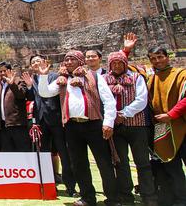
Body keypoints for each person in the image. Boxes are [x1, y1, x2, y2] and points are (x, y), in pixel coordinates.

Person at [38, 50, 119, 206]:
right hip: (72, 126)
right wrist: (43, 75)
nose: (68, 62)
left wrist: (108, 122)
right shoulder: (63, 80)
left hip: (94, 124)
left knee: (104, 163)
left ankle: (113, 199)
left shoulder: (94, 77)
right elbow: (45, 93)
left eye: (72, 59)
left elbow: (109, 101)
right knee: (79, 164)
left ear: (80, 61)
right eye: (66, 60)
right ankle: (88, 197)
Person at [104, 51, 156, 205]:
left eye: (120, 63)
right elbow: (104, 99)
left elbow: (141, 99)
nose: (117, 65)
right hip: (116, 127)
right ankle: (125, 196)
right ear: (110, 65)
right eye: (114, 63)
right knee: (120, 163)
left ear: (125, 64)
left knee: (142, 162)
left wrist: (124, 113)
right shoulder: (105, 80)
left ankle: (149, 196)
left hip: (136, 125)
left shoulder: (136, 77)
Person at [23, 55, 77, 196]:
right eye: (33, 62)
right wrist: (29, 86)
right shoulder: (32, 79)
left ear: (45, 62)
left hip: (56, 120)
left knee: (64, 154)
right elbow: (31, 98)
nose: (35, 63)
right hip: (40, 122)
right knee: (44, 154)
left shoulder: (55, 76)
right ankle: (47, 185)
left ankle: (70, 186)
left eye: (38, 61)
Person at [147, 46, 186, 205]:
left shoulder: (181, 74)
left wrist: (171, 115)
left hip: (181, 124)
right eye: (153, 58)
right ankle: (181, 199)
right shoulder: (151, 79)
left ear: (167, 57)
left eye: (160, 57)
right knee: (172, 167)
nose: (157, 61)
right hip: (162, 127)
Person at [0, 61, 30, 152]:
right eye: (0, 71)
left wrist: (12, 84)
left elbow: (21, 95)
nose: (2, 73)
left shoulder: (19, 81)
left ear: (10, 71)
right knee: (7, 154)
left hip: (17, 125)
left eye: (5, 71)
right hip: (3, 126)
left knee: (22, 152)